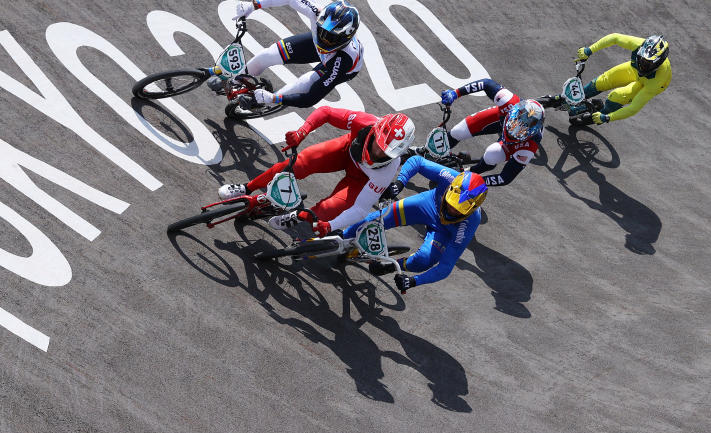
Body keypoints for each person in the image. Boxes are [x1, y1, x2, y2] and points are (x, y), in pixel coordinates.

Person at [216, 106, 415, 235]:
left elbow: (361, 209)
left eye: (385, 154)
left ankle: (298, 216)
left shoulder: (387, 171)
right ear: (376, 130)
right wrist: (302, 132)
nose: (379, 152)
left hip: (360, 179)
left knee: (327, 211)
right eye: (377, 145)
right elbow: (326, 112)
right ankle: (247, 187)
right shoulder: (366, 121)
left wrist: (330, 226)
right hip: (345, 151)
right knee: (297, 164)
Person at [346, 155, 488, 294]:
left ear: (472, 209)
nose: (451, 210)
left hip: (444, 232)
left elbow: (445, 266)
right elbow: (417, 161)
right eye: (451, 203)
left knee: (424, 259)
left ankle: (390, 266)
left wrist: (413, 281)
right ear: (452, 188)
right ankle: (342, 235)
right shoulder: (450, 177)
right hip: (427, 205)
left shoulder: (470, 223)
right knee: (379, 218)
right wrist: (400, 183)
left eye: (458, 211)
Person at [206, 0, 363, 108]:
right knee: (267, 55)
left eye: (331, 38)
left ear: (345, 38)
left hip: (335, 62)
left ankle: (267, 100)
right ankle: (235, 79)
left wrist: (274, 99)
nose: (324, 39)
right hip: (318, 48)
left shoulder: (343, 61)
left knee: (304, 84)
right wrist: (254, 5)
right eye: (322, 32)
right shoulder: (317, 12)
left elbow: (310, 99)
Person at [540, 34, 671, 125]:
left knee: (617, 96)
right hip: (633, 70)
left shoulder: (657, 81)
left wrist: (607, 117)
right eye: (641, 59)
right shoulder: (639, 45)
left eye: (648, 64)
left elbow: (634, 108)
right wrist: (589, 50)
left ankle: (603, 112)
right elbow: (614, 38)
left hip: (647, 83)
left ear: (658, 64)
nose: (643, 64)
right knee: (602, 81)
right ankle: (572, 98)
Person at [437, 78, 544, 187]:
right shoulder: (509, 101)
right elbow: (486, 83)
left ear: (530, 134)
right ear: (512, 111)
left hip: (513, 141)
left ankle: (472, 170)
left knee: (492, 154)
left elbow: (505, 178)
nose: (513, 133)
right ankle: (435, 152)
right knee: (457, 131)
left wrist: (473, 182)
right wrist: (455, 93)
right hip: (500, 119)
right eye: (514, 125)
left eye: (520, 132)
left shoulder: (529, 146)